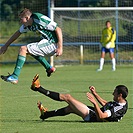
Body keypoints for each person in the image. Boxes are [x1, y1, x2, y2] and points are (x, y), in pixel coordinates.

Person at [0, 8, 63, 84]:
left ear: (27, 18)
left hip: (52, 44)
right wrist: (5, 46)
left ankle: (14, 76)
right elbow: (17, 33)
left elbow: (58, 29)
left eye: (21, 19)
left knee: (23, 49)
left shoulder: (39, 19)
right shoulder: (27, 25)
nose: (20, 21)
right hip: (48, 43)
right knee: (31, 51)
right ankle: (49, 68)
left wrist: (60, 47)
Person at [30, 74, 128, 122]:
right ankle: (45, 115)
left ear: (120, 95)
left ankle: (38, 88)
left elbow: (101, 116)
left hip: (94, 117)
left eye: (114, 92)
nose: (112, 93)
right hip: (94, 113)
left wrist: (94, 103)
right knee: (70, 108)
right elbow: (107, 104)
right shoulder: (122, 102)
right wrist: (95, 93)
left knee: (67, 97)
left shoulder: (117, 109)